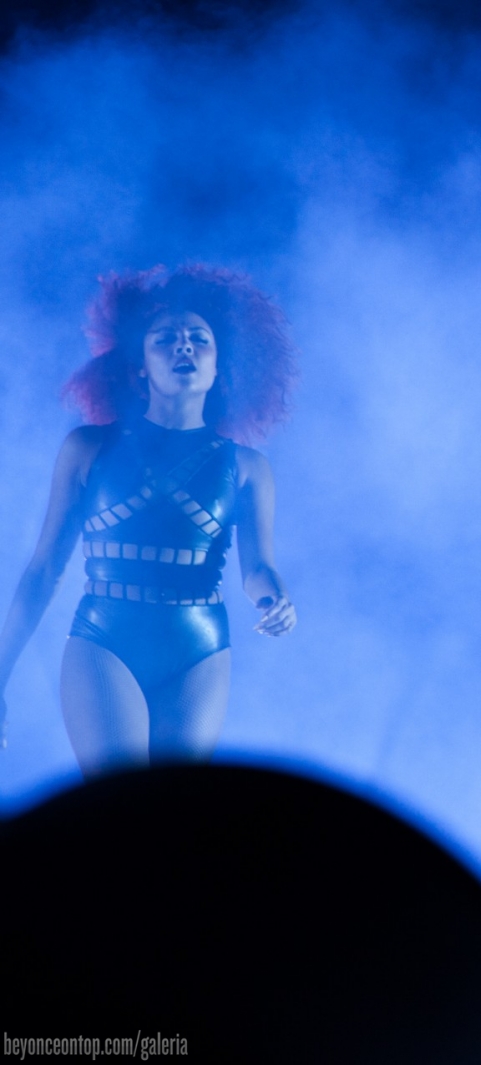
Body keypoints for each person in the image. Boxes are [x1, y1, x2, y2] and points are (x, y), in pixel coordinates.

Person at [0, 265, 298, 774]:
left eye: (198, 339)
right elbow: (43, 569)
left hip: (199, 649)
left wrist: (275, 598)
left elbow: (257, 567)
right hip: (104, 641)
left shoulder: (247, 467)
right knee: (121, 808)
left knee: (170, 821)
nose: (184, 347)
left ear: (219, 363)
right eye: (166, 339)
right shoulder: (87, 448)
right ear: (139, 365)